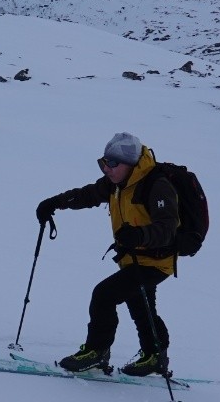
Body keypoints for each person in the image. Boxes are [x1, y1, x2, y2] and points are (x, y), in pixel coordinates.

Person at [35, 132, 179, 377]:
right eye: (103, 162)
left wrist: (138, 235)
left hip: (155, 261)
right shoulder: (116, 183)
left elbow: (167, 228)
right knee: (140, 304)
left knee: (104, 295)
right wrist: (53, 203)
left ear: (131, 164)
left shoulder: (156, 185)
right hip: (132, 258)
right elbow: (87, 195)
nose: (107, 169)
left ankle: (97, 351)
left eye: (112, 163)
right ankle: (154, 355)